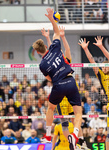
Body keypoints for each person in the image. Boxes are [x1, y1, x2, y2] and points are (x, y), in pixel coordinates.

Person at [33, 8, 82, 150]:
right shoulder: (55, 48)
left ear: (37, 52)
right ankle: (76, 134)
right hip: (71, 81)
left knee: (50, 108)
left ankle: (47, 135)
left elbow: (50, 79)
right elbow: (56, 33)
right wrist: (51, 20)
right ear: (46, 46)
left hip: (59, 85)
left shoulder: (42, 64)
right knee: (78, 113)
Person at [78, 36, 109, 150]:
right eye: (102, 67)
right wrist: (85, 49)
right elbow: (92, 61)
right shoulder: (101, 76)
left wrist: (101, 46)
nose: (103, 68)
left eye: (105, 66)